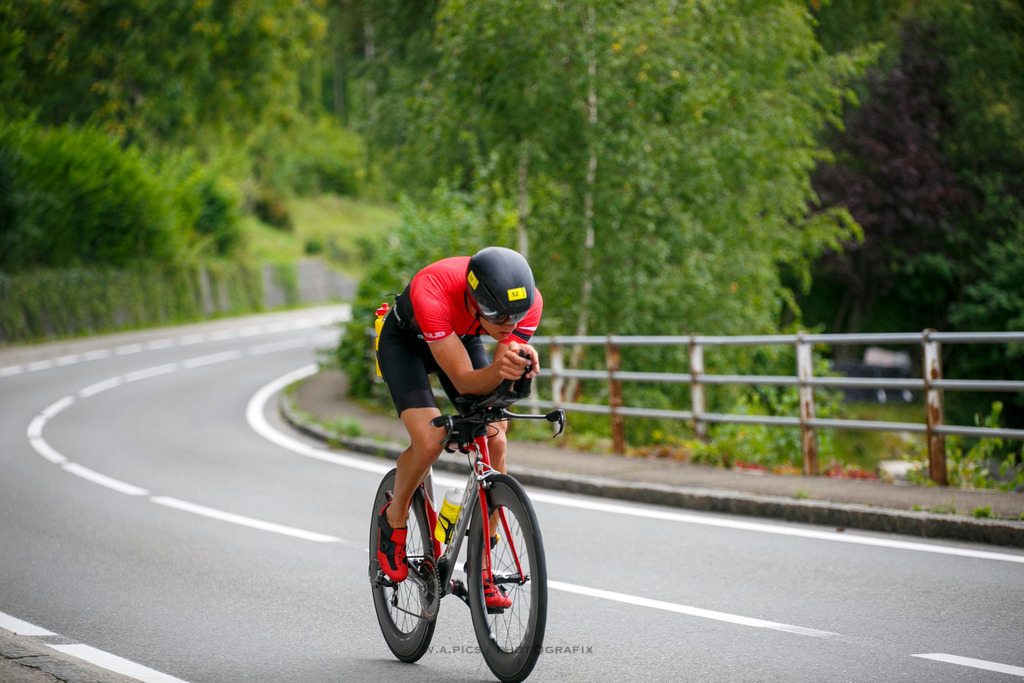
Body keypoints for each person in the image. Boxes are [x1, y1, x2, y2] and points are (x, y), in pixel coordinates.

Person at [374, 246, 542, 608]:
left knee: (496, 437)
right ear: (474, 299)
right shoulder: (432, 291)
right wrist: (500, 370)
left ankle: (482, 567)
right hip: (407, 343)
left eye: (516, 316)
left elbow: (501, 371)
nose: (510, 324)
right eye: (500, 316)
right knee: (431, 439)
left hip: (460, 335)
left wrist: (518, 365)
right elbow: (465, 381)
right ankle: (394, 517)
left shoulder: (524, 305)